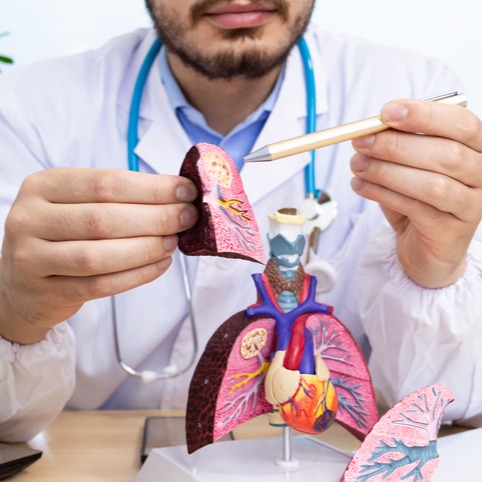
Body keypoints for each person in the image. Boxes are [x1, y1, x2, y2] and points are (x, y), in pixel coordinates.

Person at [0, 0, 481, 443]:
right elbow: (9, 423)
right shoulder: (30, 110)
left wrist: (434, 273)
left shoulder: (411, 102)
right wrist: (18, 313)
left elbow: (449, 410)